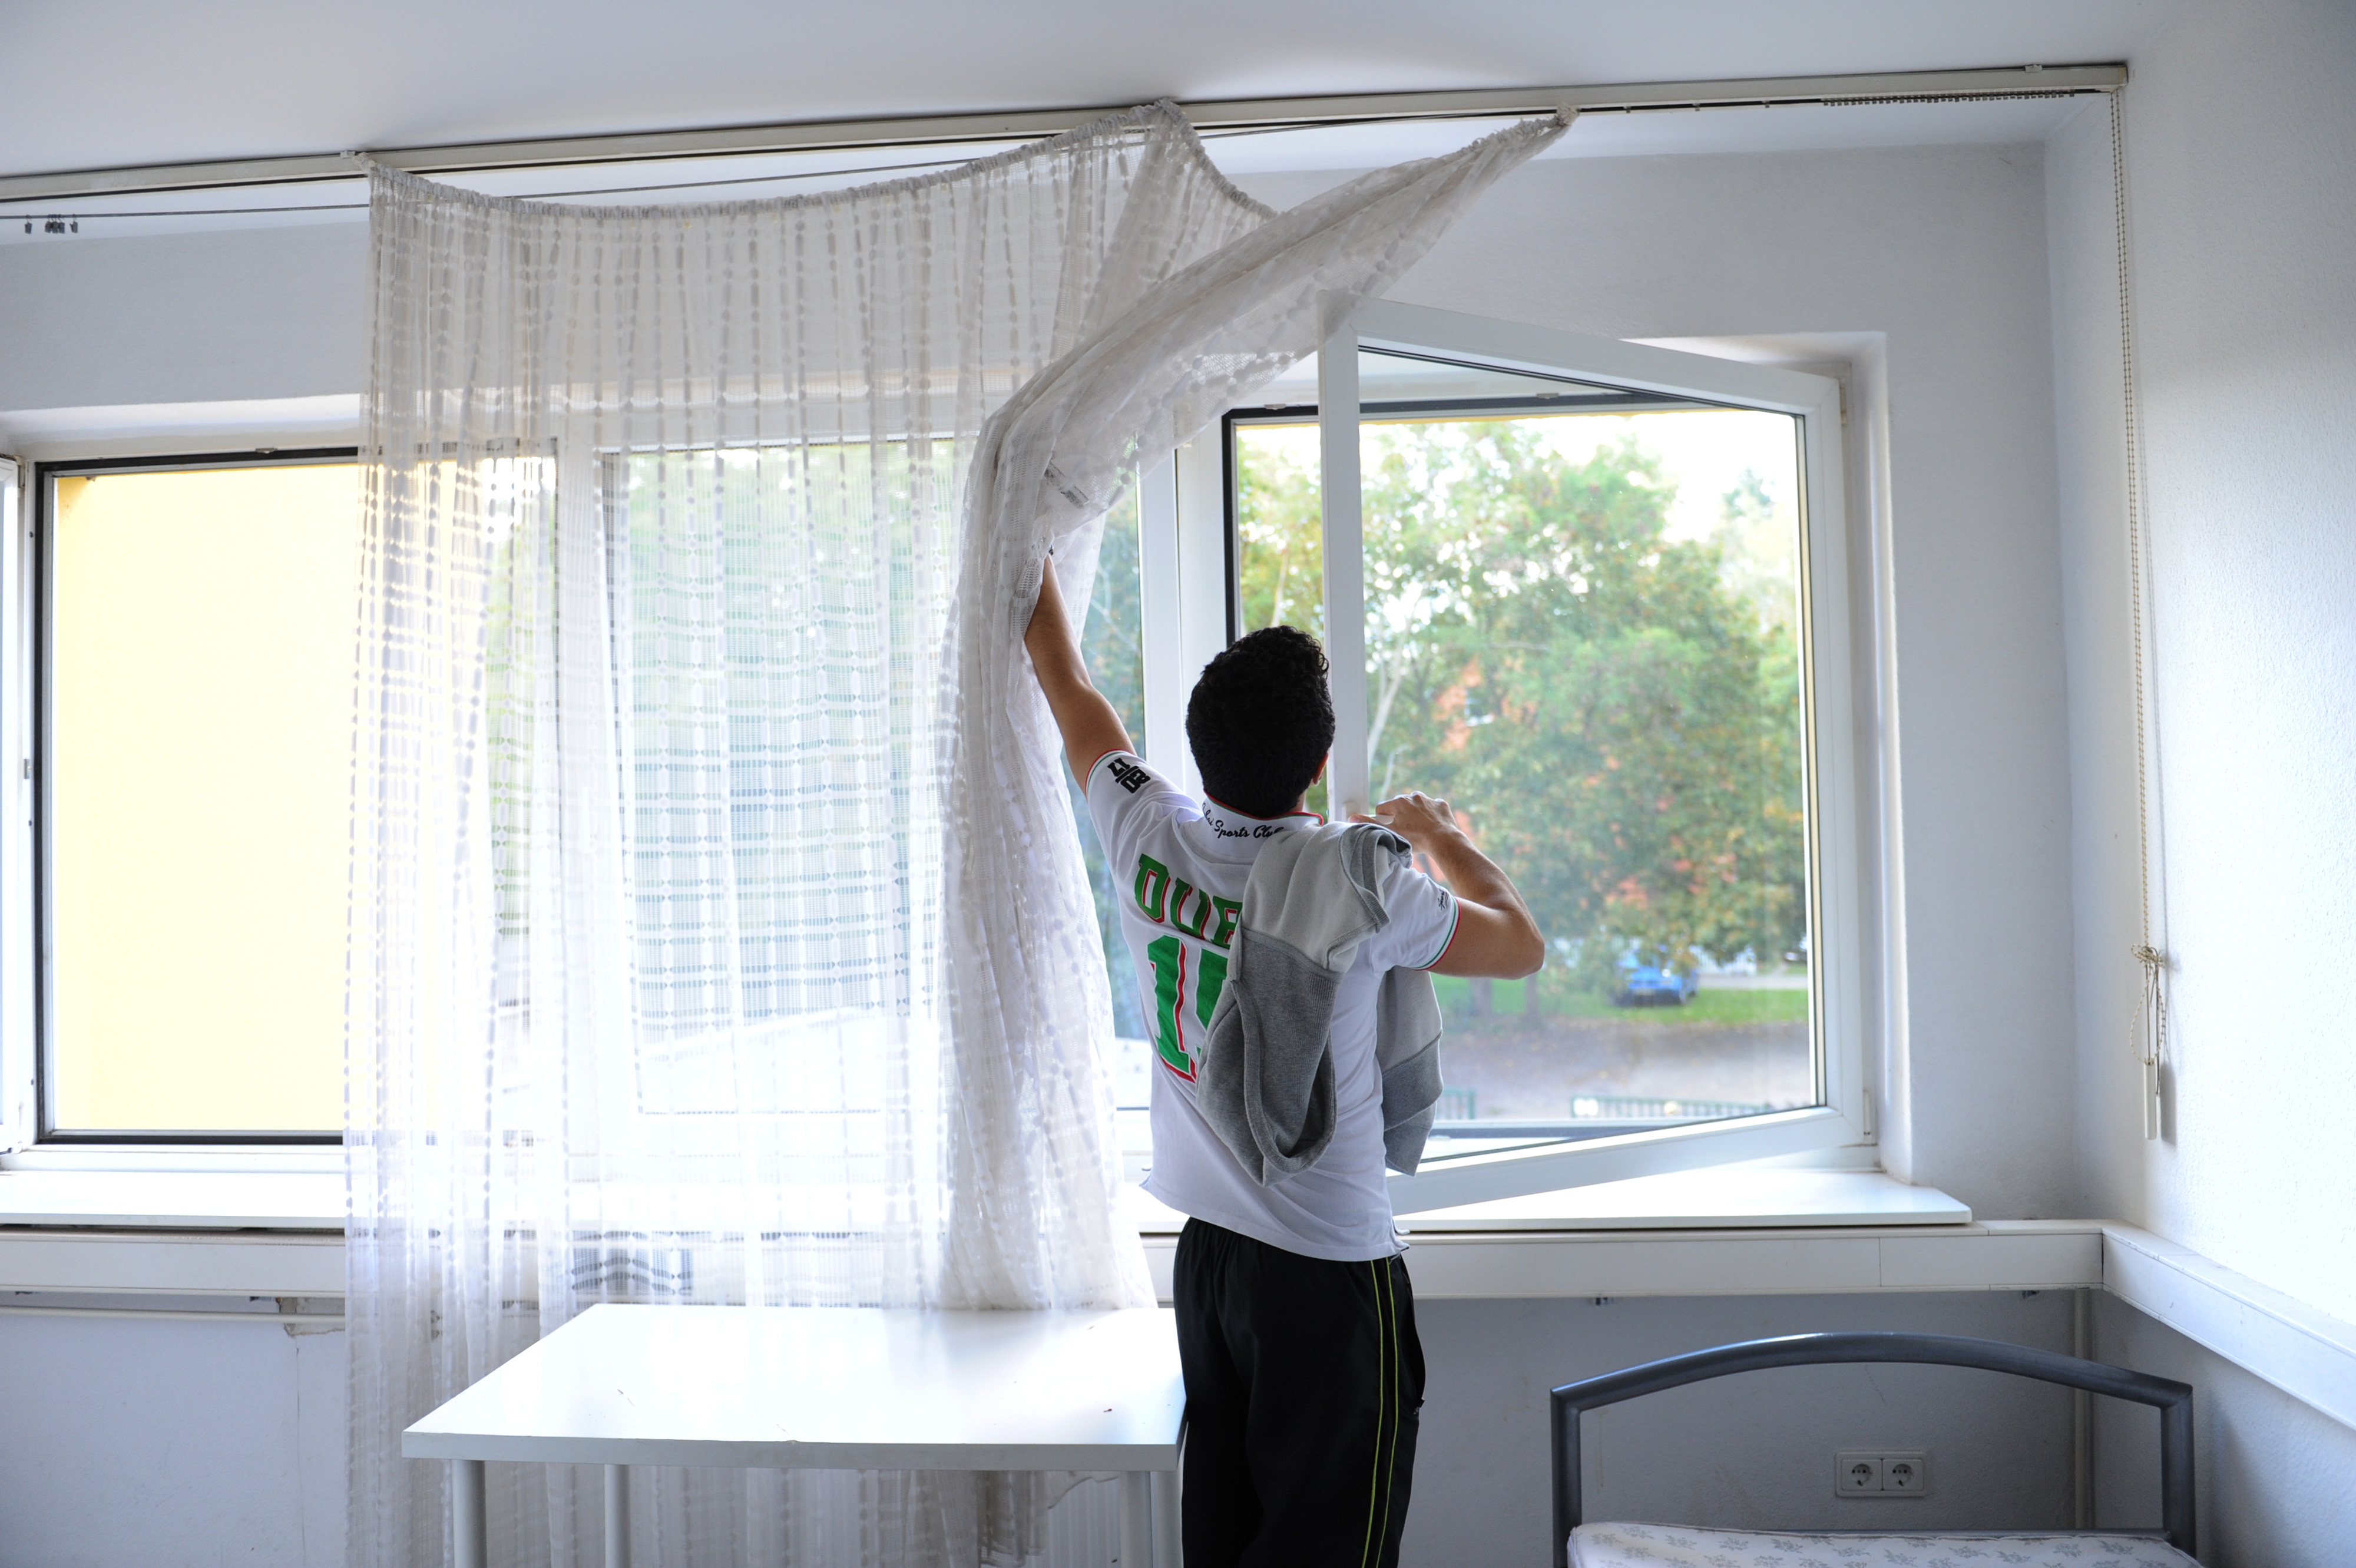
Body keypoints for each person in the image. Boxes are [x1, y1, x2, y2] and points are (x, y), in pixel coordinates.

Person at [1025, 555, 1544, 1568]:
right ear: (1316, 766)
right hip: (1327, 1281)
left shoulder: (1143, 829)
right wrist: (1438, 835)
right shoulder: (1364, 879)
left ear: (1195, 748)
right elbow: (1519, 944)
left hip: (1210, 1262)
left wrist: (1029, 534)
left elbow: (1062, 671)